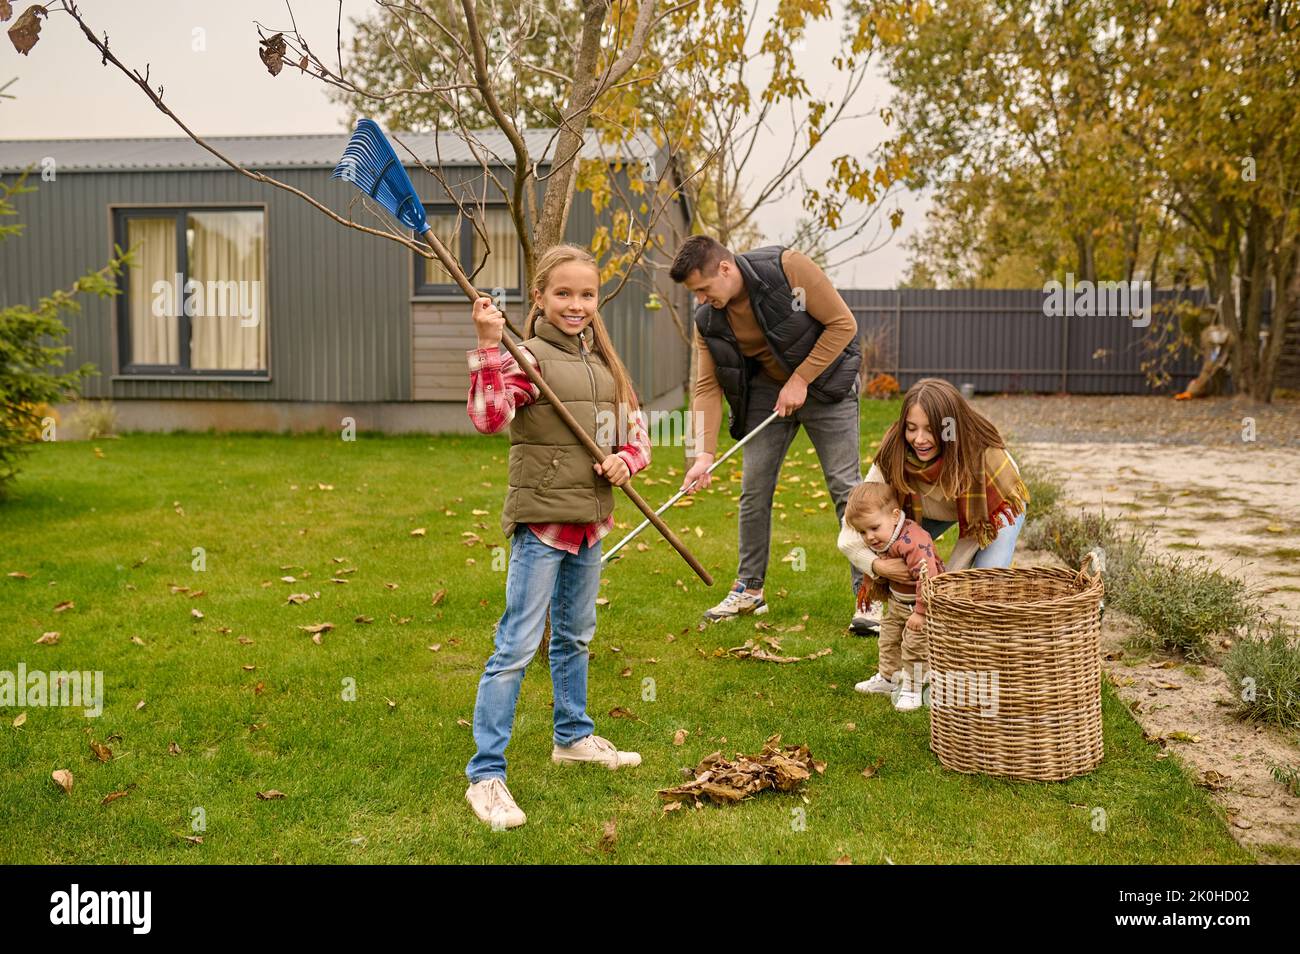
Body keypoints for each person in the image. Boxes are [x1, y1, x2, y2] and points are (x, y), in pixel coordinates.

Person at [462, 244, 647, 830]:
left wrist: (625, 461)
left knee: (575, 636)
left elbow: (636, 434)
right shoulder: (526, 359)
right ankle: (486, 775)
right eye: (563, 293)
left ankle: (572, 737)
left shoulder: (605, 366)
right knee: (517, 644)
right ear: (539, 297)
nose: (576, 304)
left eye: (586, 294)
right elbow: (490, 418)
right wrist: (490, 348)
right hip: (543, 524)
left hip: (589, 522)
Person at [669, 235, 874, 633]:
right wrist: (703, 455)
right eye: (694, 293)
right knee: (754, 489)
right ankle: (749, 590)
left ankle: (869, 598)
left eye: (704, 289)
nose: (700, 300)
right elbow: (706, 388)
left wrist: (801, 380)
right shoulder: (708, 320)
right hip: (768, 393)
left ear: (725, 269)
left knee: (846, 490)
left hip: (828, 385)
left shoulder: (786, 268)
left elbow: (843, 324)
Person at [842, 377, 1029, 634]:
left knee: (986, 583)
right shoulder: (894, 452)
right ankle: (871, 609)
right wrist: (878, 566)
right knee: (875, 526)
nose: (919, 439)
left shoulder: (984, 457)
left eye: (930, 429)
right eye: (911, 428)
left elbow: (976, 533)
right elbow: (853, 527)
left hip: (990, 515)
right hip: (927, 512)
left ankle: (988, 630)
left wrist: (939, 586)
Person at [838, 481, 943, 711]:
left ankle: (913, 688)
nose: (870, 537)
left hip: (922, 607)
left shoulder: (913, 541)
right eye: (863, 532)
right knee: (888, 640)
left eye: (874, 528)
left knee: (915, 647)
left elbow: (929, 578)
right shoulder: (885, 536)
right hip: (897, 603)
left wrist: (921, 612)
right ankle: (888, 678)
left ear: (895, 516)